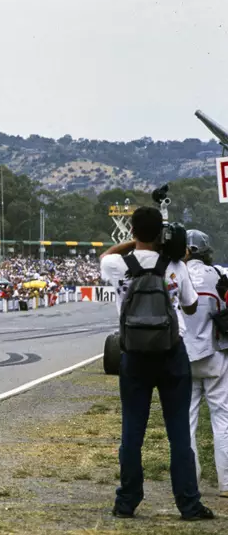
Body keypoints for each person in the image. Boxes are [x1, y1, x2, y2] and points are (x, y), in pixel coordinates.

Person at [99, 207, 213, 521]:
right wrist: (170, 252)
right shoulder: (176, 266)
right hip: (171, 353)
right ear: (161, 233)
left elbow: (107, 253)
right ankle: (188, 504)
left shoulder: (116, 264)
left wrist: (133, 242)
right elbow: (189, 308)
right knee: (178, 432)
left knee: (132, 431)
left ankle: (127, 501)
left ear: (132, 230)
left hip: (134, 355)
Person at [182, 230, 228, 499]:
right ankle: (226, 483)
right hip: (214, 354)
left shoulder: (175, 274)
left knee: (186, 422)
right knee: (222, 419)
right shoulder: (218, 275)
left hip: (182, 357)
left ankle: (190, 481)